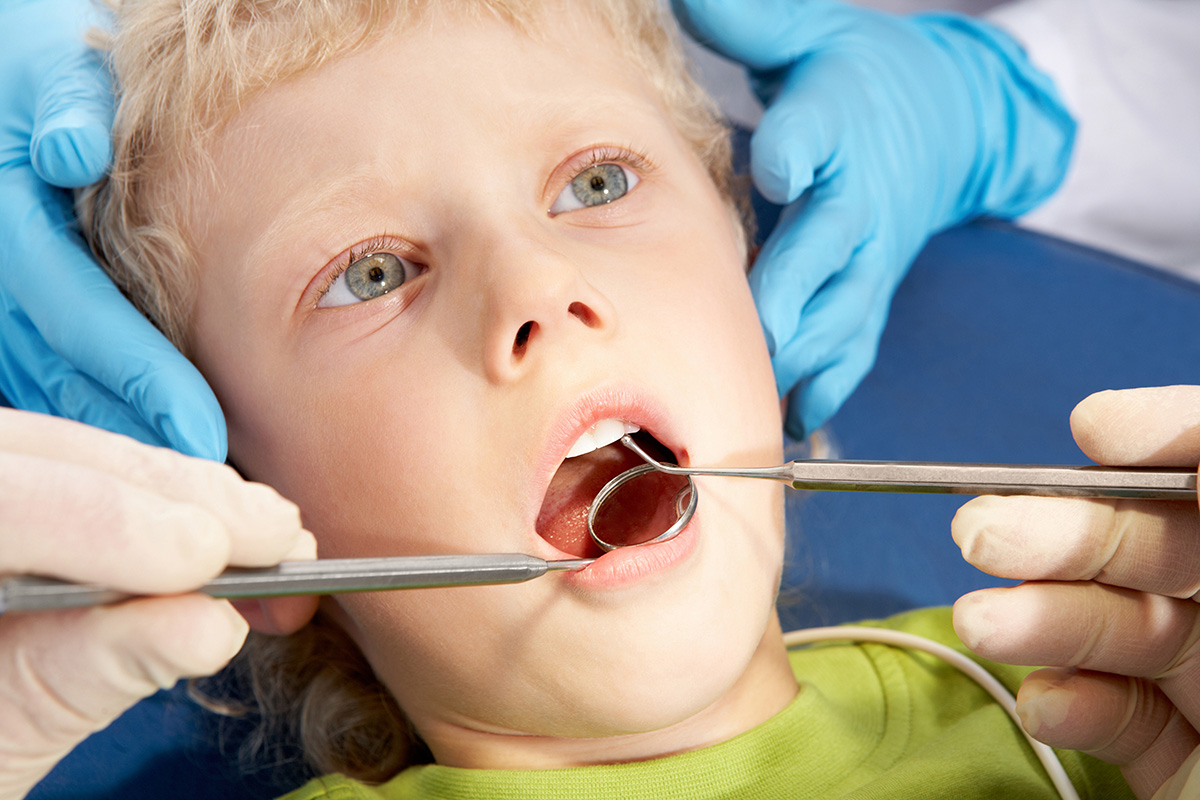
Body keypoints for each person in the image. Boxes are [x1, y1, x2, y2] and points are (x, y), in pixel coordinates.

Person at [0, 0, 1183, 798]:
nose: (539, 287)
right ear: (237, 508)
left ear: (751, 275)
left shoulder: (1113, 696)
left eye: (598, 181)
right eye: (371, 273)